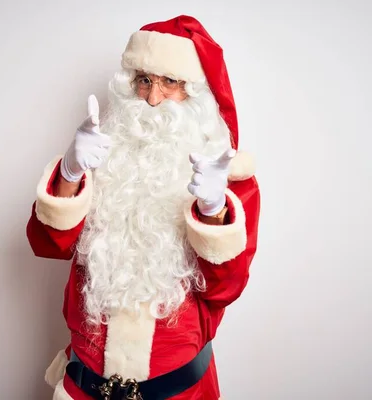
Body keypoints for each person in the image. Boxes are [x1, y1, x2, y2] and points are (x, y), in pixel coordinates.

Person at [26, 15, 260, 400]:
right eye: (145, 81)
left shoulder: (231, 180)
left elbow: (225, 289)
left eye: (171, 82)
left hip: (176, 392)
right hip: (84, 387)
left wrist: (213, 209)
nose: (153, 99)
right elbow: (46, 245)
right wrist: (69, 170)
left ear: (197, 94)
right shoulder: (101, 155)